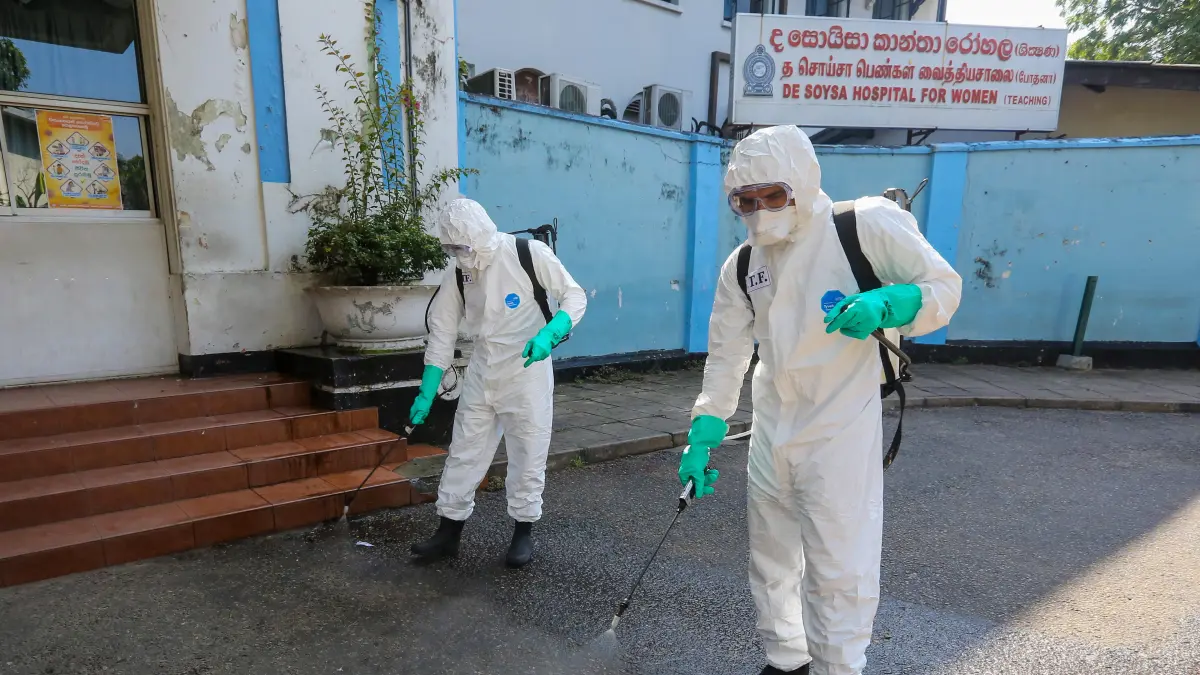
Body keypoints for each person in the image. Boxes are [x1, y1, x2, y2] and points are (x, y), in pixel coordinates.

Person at [679, 125, 962, 675]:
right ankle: (786, 658)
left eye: (773, 196)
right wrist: (705, 429)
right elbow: (727, 352)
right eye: (745, 201)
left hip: (840, 423)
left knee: (839, 566)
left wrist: (891, 303)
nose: (760, 211)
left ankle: (837, 667)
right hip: (772, 425)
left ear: (803, 185)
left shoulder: (863, 225)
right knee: (771, 557)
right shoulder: (743, 264)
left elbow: (943, 287)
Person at [409, 197, 586, 568]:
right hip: (482, 370)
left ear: (480, 235)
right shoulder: (459, 272)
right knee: (464, 450)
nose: (459, 256)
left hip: (526, 370)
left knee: (528, 452)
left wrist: (550, 333)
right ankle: (448, 531)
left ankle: (523, 531)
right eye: (451, 249)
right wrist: (428, 386)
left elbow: (574, 296)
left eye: (462, 247)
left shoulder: (527, 254)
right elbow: (442, 328)